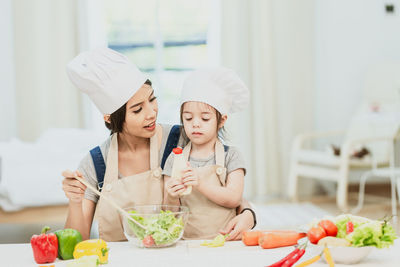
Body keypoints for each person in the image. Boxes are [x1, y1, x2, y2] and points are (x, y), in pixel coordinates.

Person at [62, 47, 256, 241]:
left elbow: (223, 190)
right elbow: (76, 241)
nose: (151, 113)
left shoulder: (182, 139)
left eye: (152, 99)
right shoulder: (95, 164)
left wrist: (248, 214)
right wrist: (75, 201)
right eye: (138, 110)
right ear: (110, 118)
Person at [163, 67, 250, 239]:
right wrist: (171, 195)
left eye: (204, 118)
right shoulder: (175, 158)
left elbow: (234, 198)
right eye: (188, 118)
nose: (195, 124)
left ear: (222, 120)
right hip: (186, 242)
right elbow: (169, 211)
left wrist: (200, 184)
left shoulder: (231, 155)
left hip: (224, 241)